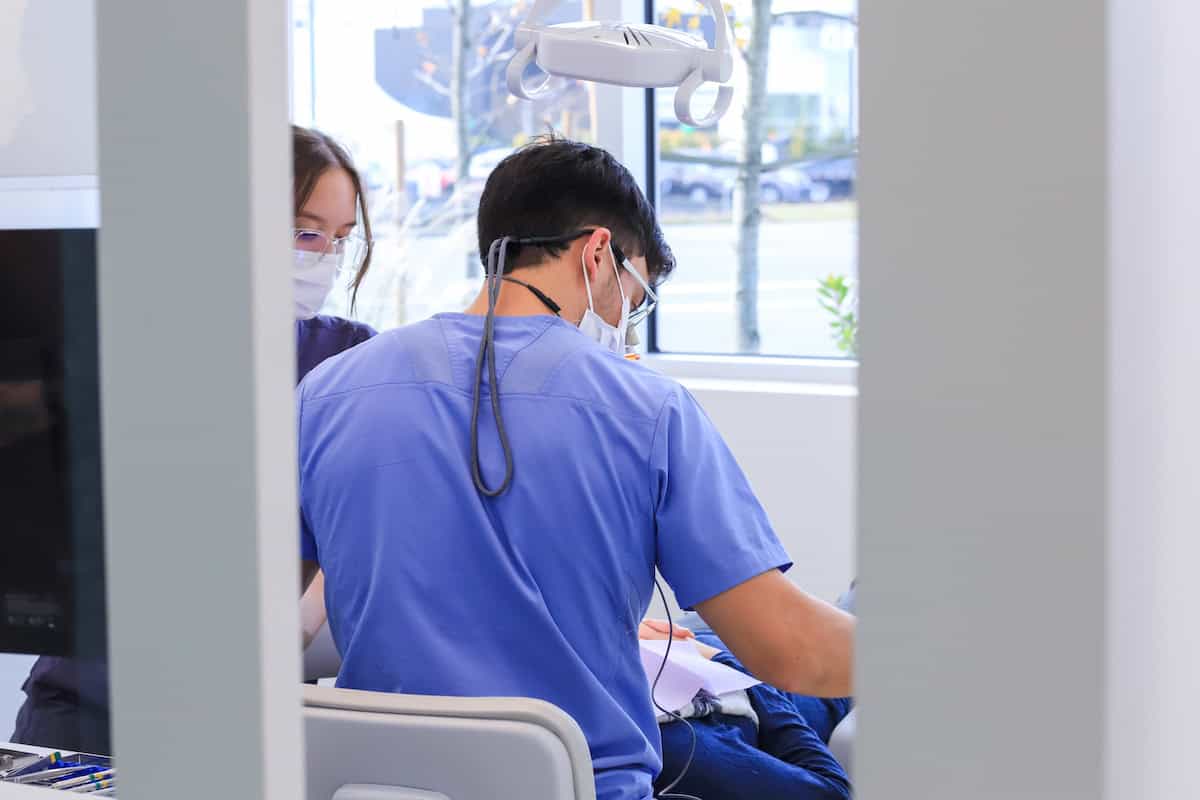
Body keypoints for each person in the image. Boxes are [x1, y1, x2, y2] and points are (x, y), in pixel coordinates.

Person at [296, 137, 855, 800]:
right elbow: (786, 648)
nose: (626, 326)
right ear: (596, 253)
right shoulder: (648, 409)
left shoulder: (325, 393)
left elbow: (271, 617)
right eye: (634, 297)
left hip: (378, 784)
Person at [10, 124, 376, 755]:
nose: (326, 257)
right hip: (87, 698)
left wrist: (295, 625)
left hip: (243, 702)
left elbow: (359, 521)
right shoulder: (129, 336)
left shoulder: (347, 358)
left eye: (340, 238)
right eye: (305, 232)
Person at [640, 615, 853, 800]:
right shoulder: (684, 752)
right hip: (788, 677)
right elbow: (832, 791)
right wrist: (718, 658)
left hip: (691, 636)